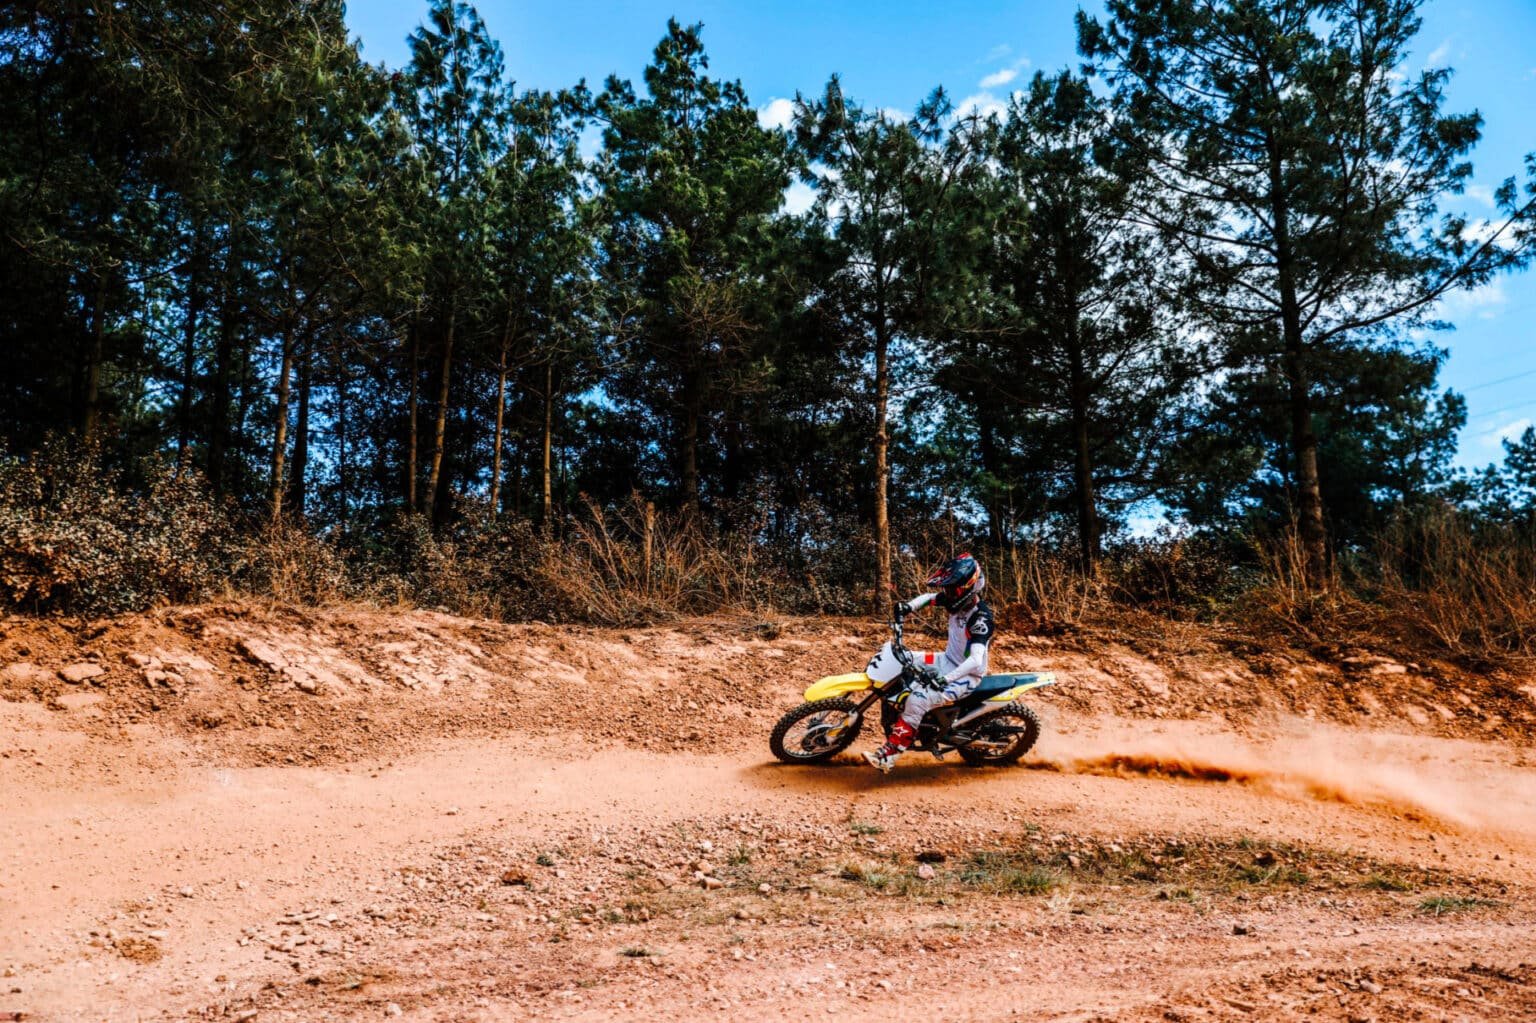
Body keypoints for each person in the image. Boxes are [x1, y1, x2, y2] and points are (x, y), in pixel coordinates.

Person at [863, 552, 996, 772]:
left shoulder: (980, 618)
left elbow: (975, 660)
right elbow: (928, 597)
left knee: (917, 700)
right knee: (902, 659)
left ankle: (888, 757)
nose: (947, 594)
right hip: (947, 659)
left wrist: (945, 679)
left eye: (952, 590)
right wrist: (908, 607)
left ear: (968, 587)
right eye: (947, 589)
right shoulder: (956, 598)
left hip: (966, 675)